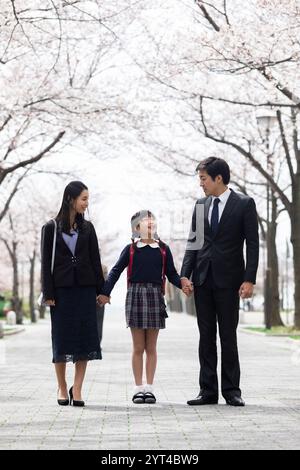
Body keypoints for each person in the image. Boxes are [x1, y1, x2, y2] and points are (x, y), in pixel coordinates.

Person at [181, 157, 259, 407]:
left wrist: (249, 279)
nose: (200, 184)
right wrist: (185, 275)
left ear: (218, 178)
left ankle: (232, 391)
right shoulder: (201, 205)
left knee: (228, 336)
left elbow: (253, 244)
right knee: (206, 337)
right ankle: (208, 391)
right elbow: (193, 243)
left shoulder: (244, 204)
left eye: (203, 179)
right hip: (203, 279)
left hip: (230, 280)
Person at [99, 210, 189, 404]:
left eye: (153, 220)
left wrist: (183, 284)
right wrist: (105, 293)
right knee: (138, 346)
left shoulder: (163, 249)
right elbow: (115, 272)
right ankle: (138, 387)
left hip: (156, 296)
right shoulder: (130, 250)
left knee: (151, 347)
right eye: (145, 220)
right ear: (136, 228)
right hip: (135, 296)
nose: (151, 223)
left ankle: (149, 387)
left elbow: (172, 273)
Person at [41, 181, 104, 407]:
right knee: (61, 340)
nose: (87, 204)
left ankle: (77, 388)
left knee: (84, 340)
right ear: (71, 199)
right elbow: (45, 263)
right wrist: (48, 292)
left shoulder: (89, 228)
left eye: (88, 199)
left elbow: (95, 261)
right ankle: (61, 386)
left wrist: (102, 291)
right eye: (83, 199)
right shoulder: (50, 228)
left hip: (85, 291)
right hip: (61, 292)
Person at [96, 264, 108, 353]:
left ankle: (97, 343)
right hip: (100, 297)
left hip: (99, 299)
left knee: (99, 321)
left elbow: (106, 282)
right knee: (99, 321)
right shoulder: (103, 267)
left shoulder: (103, 267)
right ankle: (97, 343)